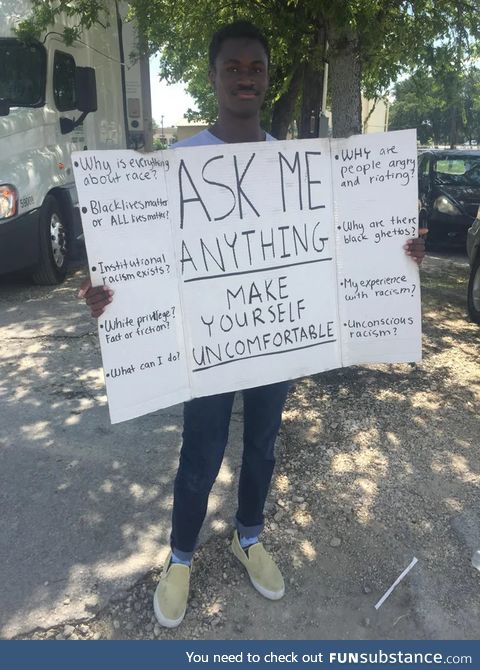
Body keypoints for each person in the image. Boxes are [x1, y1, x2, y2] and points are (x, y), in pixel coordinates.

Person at [79, 20, 427, 629]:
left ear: (267, 80)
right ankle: (181, 557)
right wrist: (110, 298)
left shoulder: (297, 165)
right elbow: (141, 261)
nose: (245, 75)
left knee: (263, 446)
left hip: (275, 335)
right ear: (212, 78)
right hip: (208, 347)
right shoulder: (175, 166)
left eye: (256, 67)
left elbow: (348, 239)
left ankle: (249, 536)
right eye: (233, 66)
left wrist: (399, 253)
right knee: (201, 454)